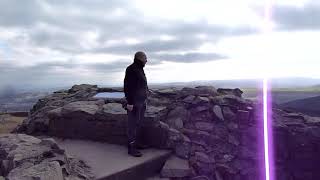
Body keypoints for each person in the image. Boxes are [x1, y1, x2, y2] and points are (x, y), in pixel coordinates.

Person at [123, 51, 149, 157]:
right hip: (134, 102)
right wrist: (129, 102)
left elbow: (140, 84)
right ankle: (131, 148)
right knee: (132, 125)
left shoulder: (140, 69)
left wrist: (147, 91)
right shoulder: (131, 69)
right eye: (145, 58)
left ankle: (137, 144)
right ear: (140, 58)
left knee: (139, 124)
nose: (147, 60)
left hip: (141, 101)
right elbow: (128, 87)